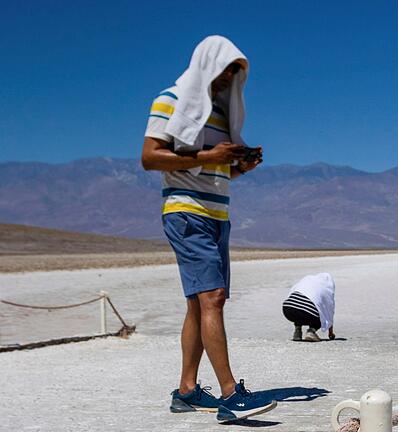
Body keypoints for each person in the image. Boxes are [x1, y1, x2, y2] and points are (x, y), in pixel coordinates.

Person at [141, 35, 274, 423]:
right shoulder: (171, 100)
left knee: (201, 304)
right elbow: (149, 157)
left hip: (217, 214)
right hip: (185, 211)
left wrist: (238, 167)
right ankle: (231, 395)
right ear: (206, 66)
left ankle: (186, 391)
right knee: (212, 297)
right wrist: (208, 155)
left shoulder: (222, 115)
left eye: (233, 76)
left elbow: (215, 169)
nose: (225, 83)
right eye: (221, 74)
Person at [282, 273, 337, 342]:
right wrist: (330, 332)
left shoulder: (307, 279)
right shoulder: (326, 289)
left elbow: (291, 292)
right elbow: (329, 312)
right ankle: (311, 331)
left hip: (288, 309)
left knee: (299, 306)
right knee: (322, 314)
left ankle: (297, 331)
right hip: (307, 311)